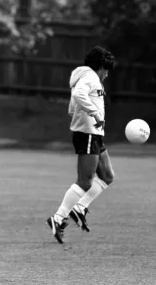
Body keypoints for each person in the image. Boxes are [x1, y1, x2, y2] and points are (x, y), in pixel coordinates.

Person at [47, 46, 116, 244]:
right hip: (87, 135)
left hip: (93, 135)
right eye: (107, 69)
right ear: (100, 66)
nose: (107, 74)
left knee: (108, 176)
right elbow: (79, 94)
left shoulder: (86, 76)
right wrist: (94, 114)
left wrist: (81, 115)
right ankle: (58, 218)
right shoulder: (91, 77)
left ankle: (79, 207)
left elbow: (73, 105)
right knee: (85, 181)